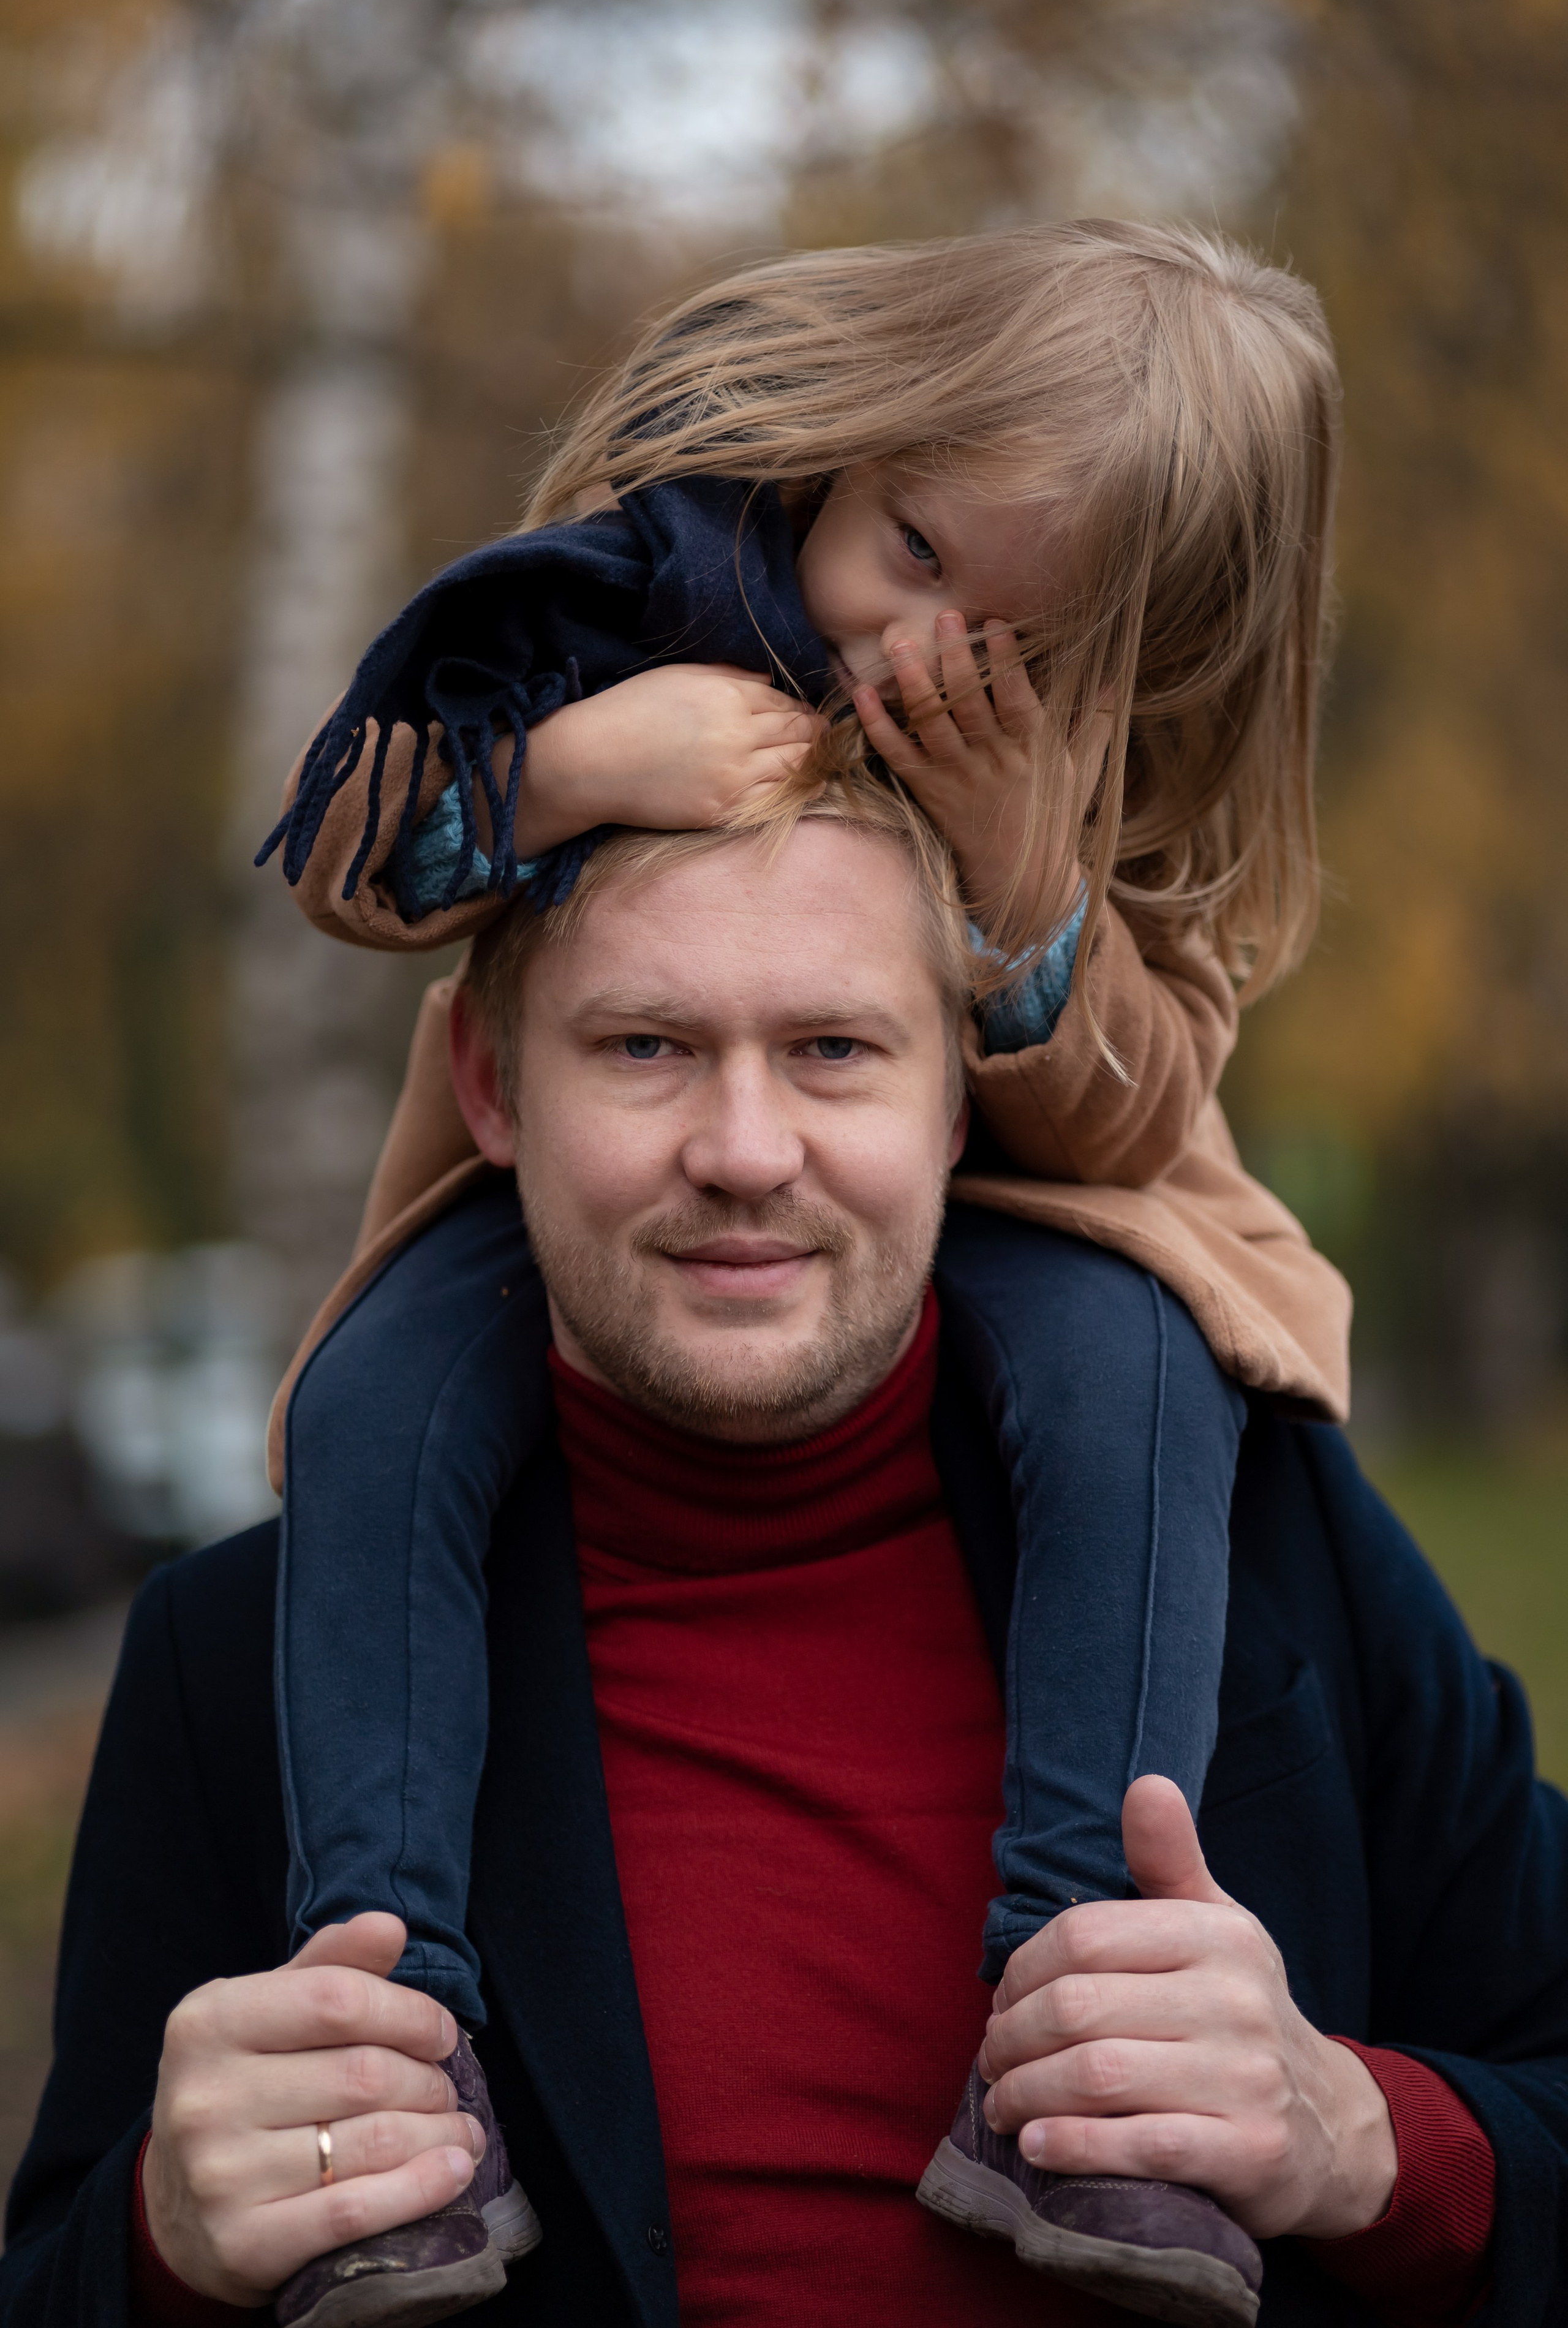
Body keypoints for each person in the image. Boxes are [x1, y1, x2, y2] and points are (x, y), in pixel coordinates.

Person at [1, 796, 1556, 2328]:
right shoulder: (239, 1658)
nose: (745, 1151)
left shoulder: (1267, 1548)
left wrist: (1358, 2137)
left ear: (954, 1097)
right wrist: (163, 2242)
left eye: (832, 1049)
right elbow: (60, 2273)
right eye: (644, 1048)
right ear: (489, 1087)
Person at [243, 224, 1351, 2318]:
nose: (918, 638)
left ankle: (1066, 2022)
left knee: (1137, 1377)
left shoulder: (1115, 774)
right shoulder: (649, 592)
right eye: (911, 546)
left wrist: (1030, 898)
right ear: (855, 450)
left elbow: (1144, 1115)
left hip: (1027, 1214)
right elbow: (339, 835)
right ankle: (392, 2032)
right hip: (576, 1209)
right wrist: (576, 769)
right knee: (379, 1399)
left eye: (1011, 628)